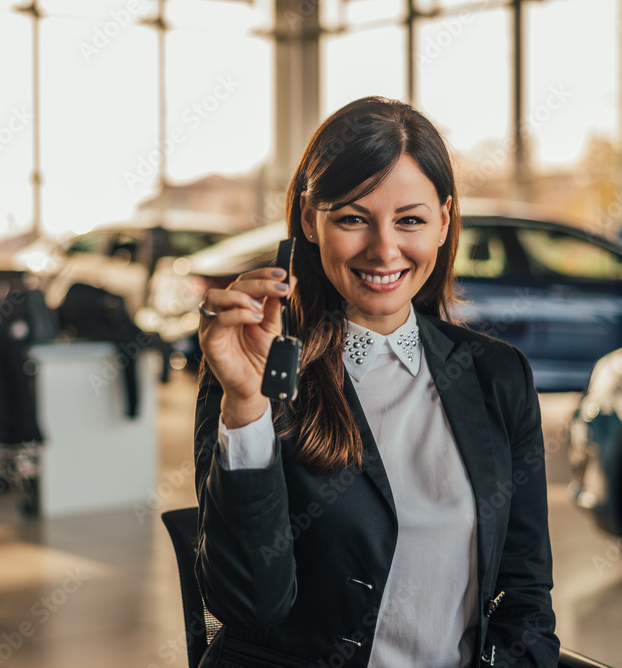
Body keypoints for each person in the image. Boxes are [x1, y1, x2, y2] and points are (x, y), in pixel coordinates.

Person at [193, 96, 559, 668]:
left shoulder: (497, 375)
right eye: (352, 218)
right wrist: (246, 406)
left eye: (409, 219)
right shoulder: (262, 373)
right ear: (310, 222)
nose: (384, 249)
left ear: (444, 219)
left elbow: (526, 594)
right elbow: (249, 608)